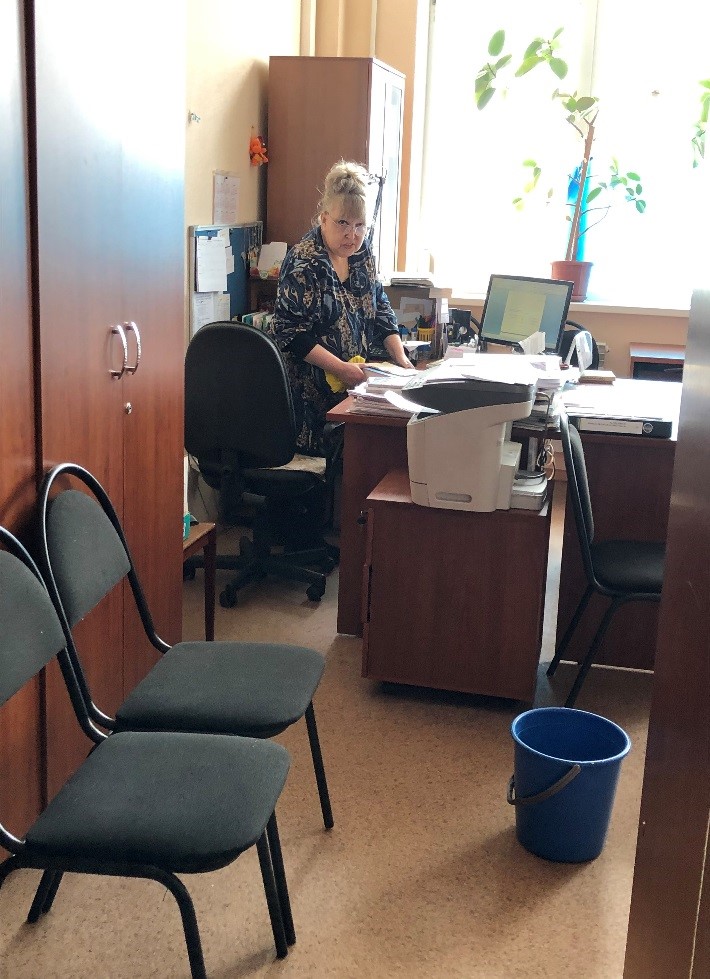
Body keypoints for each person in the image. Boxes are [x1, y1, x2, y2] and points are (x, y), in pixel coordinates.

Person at [268, 160, 411, 456]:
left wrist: (401, 359)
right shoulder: (305, 262)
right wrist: (342, 370)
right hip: (311, 398)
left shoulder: (362, 253)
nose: (352, 234)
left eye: (360, 225)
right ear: (324, 218)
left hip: (354, 388)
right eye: (343, 223)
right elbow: (291, 334)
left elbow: (380, 305)